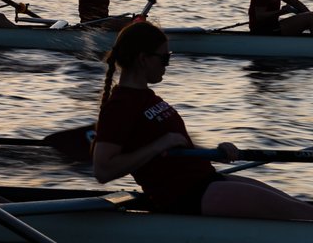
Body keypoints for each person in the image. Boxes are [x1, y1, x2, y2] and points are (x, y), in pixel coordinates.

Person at [93, 20, 313, 219]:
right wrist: (160, 144)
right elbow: (103, 170)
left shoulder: (147, 97)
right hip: (184, 196)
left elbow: (177, 145)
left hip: (204, 181)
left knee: (301, 207)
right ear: (143, 59)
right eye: (165, 58)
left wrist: (215, 153)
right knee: (299, 213)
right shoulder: (120, 106)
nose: (167, 65)